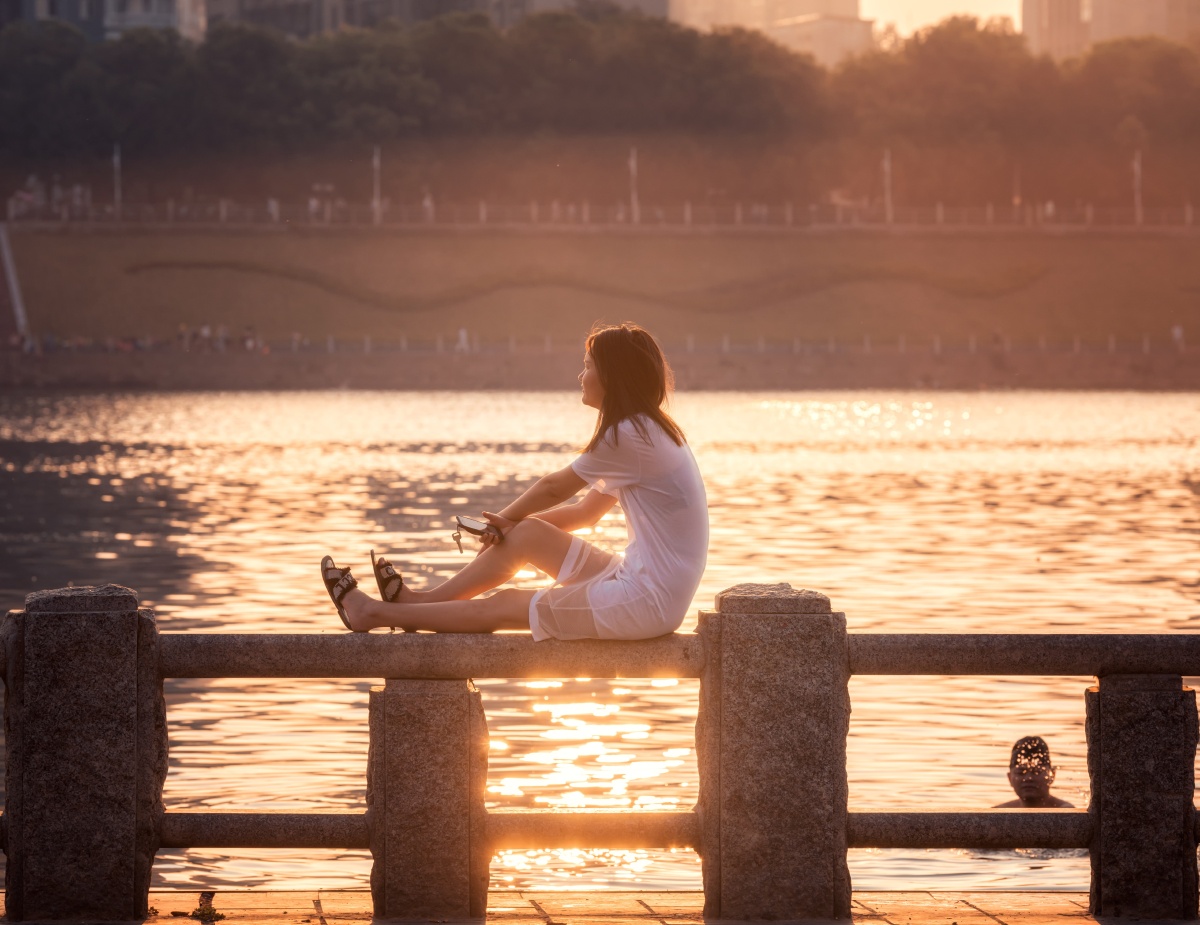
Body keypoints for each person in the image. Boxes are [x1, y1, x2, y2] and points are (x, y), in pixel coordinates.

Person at [321, 322, 709, 639]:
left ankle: (371, 613)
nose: (581, 375)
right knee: (529, 534)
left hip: (646, 603)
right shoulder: (645, 431)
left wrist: (500, 521)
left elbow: (554, 488)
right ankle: (417, 604)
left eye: (588, 366)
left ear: (612, 375)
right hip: (644, 583)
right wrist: (514, 528)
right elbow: (585, 513)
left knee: (506, 604)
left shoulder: (629, 435)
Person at [994, 736, 1073, 808]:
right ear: (1009, 778)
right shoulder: (998, 812)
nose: (1028, 778)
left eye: (1036, 772)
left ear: (1052, 775)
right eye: (1021, 772)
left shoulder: (1065, 812)